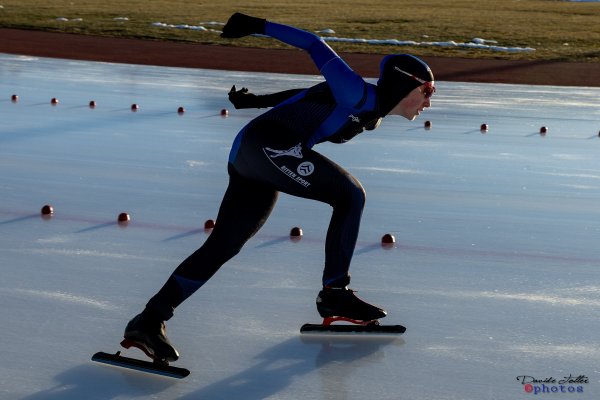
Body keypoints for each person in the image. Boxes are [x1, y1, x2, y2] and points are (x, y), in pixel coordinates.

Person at [122, 12, 435, 363]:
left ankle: (149, 320)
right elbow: (314, 44)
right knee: (350, 195)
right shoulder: (356, 92)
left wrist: (257, 100)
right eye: (427, 90)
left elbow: (307, 95)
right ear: (404, 85)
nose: (429, 101)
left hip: (256, 155)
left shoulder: (371, 116)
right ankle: (335, 292)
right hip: (267, 146)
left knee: (224, 245)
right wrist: (256, 25)